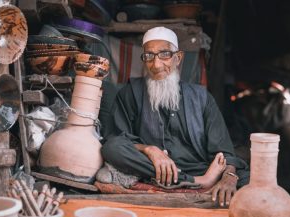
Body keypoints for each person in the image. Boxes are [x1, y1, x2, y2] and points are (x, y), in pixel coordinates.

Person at [102, 27, 249, 207]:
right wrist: (149, 150)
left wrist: (229, 176)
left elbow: (224, 153)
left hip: (198, 166)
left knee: (249, 179)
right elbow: (116, 138)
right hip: (151, 166)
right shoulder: (130, 92)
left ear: (178, 58)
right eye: (149, 56)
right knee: (111, 148)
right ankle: (199, 182)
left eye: (164, 54)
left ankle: (189, 179)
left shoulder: (202, 98)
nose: (156, 65)